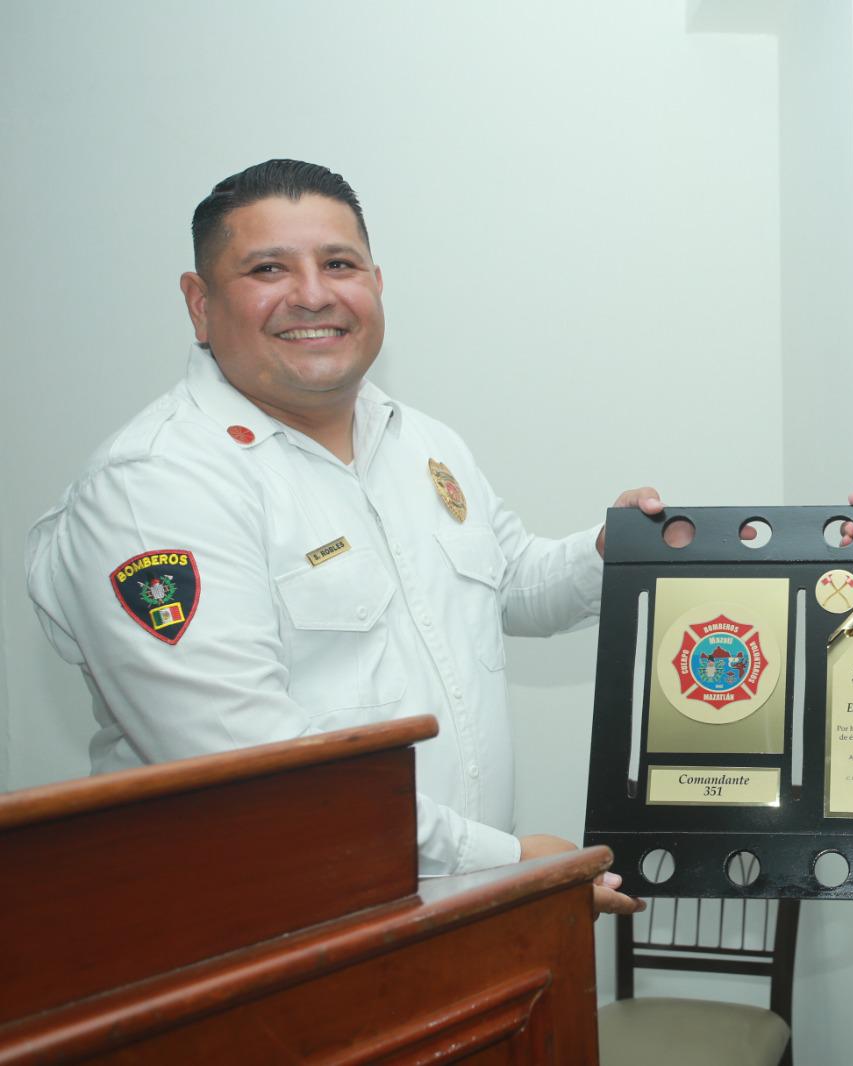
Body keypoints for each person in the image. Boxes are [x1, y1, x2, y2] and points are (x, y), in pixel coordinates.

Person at [26, 159, 661, 914]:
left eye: (339, 263)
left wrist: (620, 550)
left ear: (376, 282)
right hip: (271, 942)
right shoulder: (156, 485)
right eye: (267, 268)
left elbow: (511, 583)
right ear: (199, 305)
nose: (314, 294)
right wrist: (505, 862)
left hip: (453, 919)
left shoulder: (419, 441)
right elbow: (256, 768)